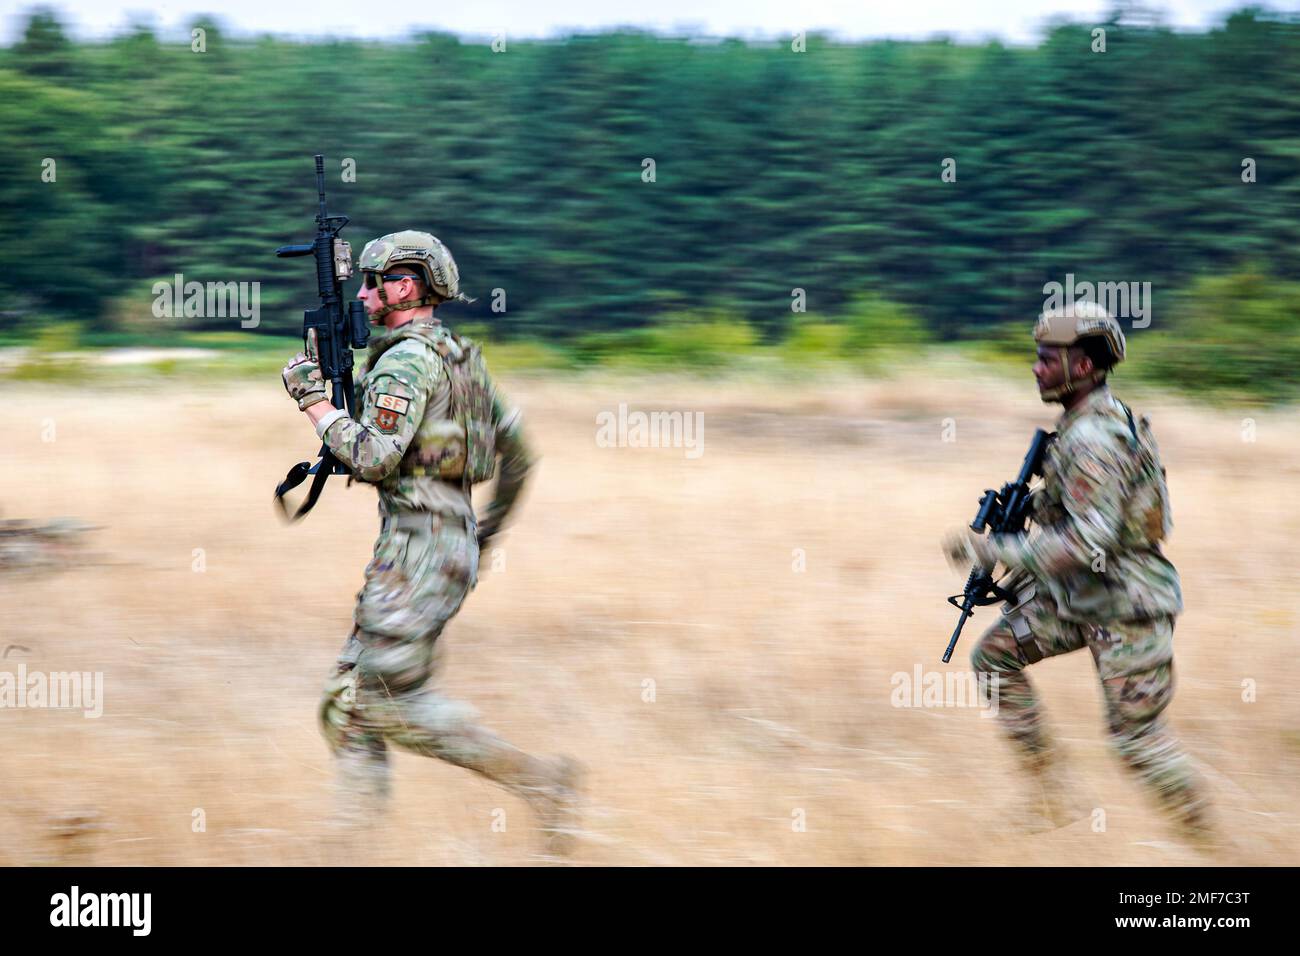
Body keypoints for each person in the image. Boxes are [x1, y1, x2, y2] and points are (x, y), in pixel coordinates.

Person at [281, 230, 580, 854]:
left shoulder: (408, 361)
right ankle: (355, 846)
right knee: (346, 702)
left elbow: (373, 455)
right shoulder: (461, 359)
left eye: (371, 283)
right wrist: (482, 534)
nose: (361, 295)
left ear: (406, 286)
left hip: (417, 553)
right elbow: (520, 455)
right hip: (436, 546)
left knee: (387, 705)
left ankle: (540, 783)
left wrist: (313, 402)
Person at [943, 301, 1212, 844]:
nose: (1036, 368)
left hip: (1127, 607)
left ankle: (1211, 849)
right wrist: (1028, 512)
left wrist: (999, 550)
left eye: (1047, 358)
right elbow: (1086, 510)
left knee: (1137, 741)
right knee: (993, 658)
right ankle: (1049, 797)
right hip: (1079, 599)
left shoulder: (1093, 439)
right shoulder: (1087, 423)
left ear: (1084, 366)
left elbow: (1092, 539)